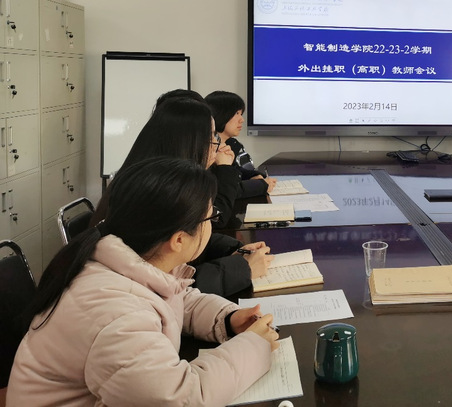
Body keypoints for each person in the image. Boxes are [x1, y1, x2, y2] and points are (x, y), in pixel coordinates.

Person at [7, 157, 279, 406]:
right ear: (179, 240)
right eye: (211, 218)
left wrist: (228, 319)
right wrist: (255, 344)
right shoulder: (117, 316)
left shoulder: (130, 263)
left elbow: (177, 300)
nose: (212, 225)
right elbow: (183, 398)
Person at [94, 97, 273, 296]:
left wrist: (234, 250)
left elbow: (192, 236)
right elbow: (169, 284)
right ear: (190, 143)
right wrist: (242, 269)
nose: (217, 143)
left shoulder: (158, 177)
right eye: (212, 136)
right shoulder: (159, 189)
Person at [205, 90, 277, 199]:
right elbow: (227, 189)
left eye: (241, 114)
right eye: (236, 113)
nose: (242, 120)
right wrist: (261, 185)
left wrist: (255, 176)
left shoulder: (232, 144)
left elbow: (237, 172)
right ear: (221, 114)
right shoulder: (207, 151)